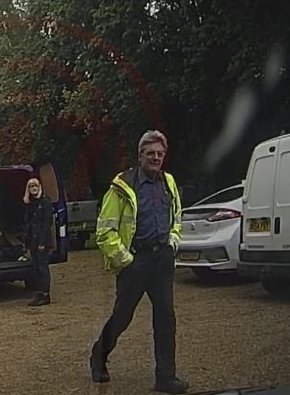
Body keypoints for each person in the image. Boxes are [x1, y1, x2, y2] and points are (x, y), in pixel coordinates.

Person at [90, 130, 188, 395]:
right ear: (140, 155)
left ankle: (166, 377)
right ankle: (99, 355)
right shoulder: (122, 186)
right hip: (135, 261)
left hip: (162, 260)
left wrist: (173, 242)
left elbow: (176, 216)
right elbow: (105, 230)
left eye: (160, 153)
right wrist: (125, 259)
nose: (156, 158)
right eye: (150, 153)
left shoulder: (168, 182)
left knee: (166, 318)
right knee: (122, 317)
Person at [23, 177, 53, 306]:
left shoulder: (45, 202)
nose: (34, 189)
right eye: (31, 186)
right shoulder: (30, 204)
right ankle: (39, 293)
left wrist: (42, 242)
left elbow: (47, 223)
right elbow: (28, 224)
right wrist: (26, 242)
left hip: (42, 240)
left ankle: (45, 294)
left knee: (42, 267)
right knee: (35, 268)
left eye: (35, 186)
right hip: (33, 240)